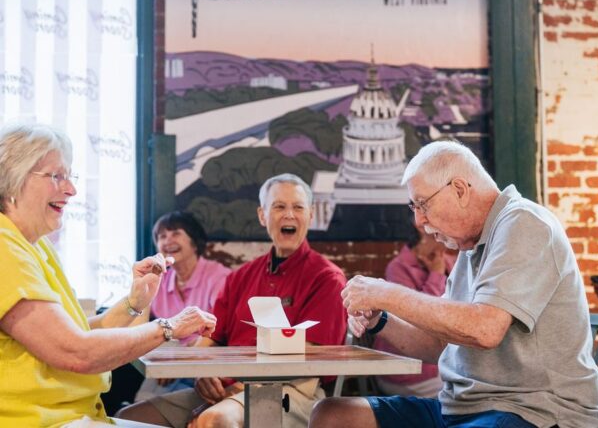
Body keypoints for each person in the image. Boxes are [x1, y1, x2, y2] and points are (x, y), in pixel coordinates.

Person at [310, 140, 598, 428]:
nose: (419, 220)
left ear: (460, 190)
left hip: (532, 410)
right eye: (414, 207)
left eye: (422, 204)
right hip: (461, 407)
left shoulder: (525, 223)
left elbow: (485, 329)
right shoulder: (470, 246)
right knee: (332, 415)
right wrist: (380, 320)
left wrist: (386, 293)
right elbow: (442, 345)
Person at [0, 122, 216, 427]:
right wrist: (169, 327)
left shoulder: (34, 245)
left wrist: (133, 302)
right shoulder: (5, 247)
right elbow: (76, 351)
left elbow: (77, 333)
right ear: (14, 178)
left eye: (70, 176)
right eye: (56, 176)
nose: (71, 189)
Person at [117, 173, 347, 428]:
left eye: (298, 207)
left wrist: (239, 385)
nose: (289, 215)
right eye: (279, 207)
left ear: (311, 215)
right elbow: (212, 337)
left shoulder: (327, 278)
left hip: (292, 390)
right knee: (128, 419)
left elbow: (315, 356)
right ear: (262, 215)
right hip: (224, 385)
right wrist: (202, 374)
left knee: (214, 419)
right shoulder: (240, 277)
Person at [104, 212, 233, 413]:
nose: (168, 241)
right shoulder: (163, 281)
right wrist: (144, 288)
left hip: (207, 367)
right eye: (162, 236)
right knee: (127, 408)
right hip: (170, 367)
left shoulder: (218, 276)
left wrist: (177, 360)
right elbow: (137, 332)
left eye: (176, 234)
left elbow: (216, 330)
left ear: (194, 242)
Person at [373, 228, 456, 398]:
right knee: (468, 396)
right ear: (423, 232)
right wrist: (436, 274)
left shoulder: (451, 262)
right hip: (408, 371)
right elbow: (420, 317)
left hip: (447, 363)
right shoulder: (398, 268)